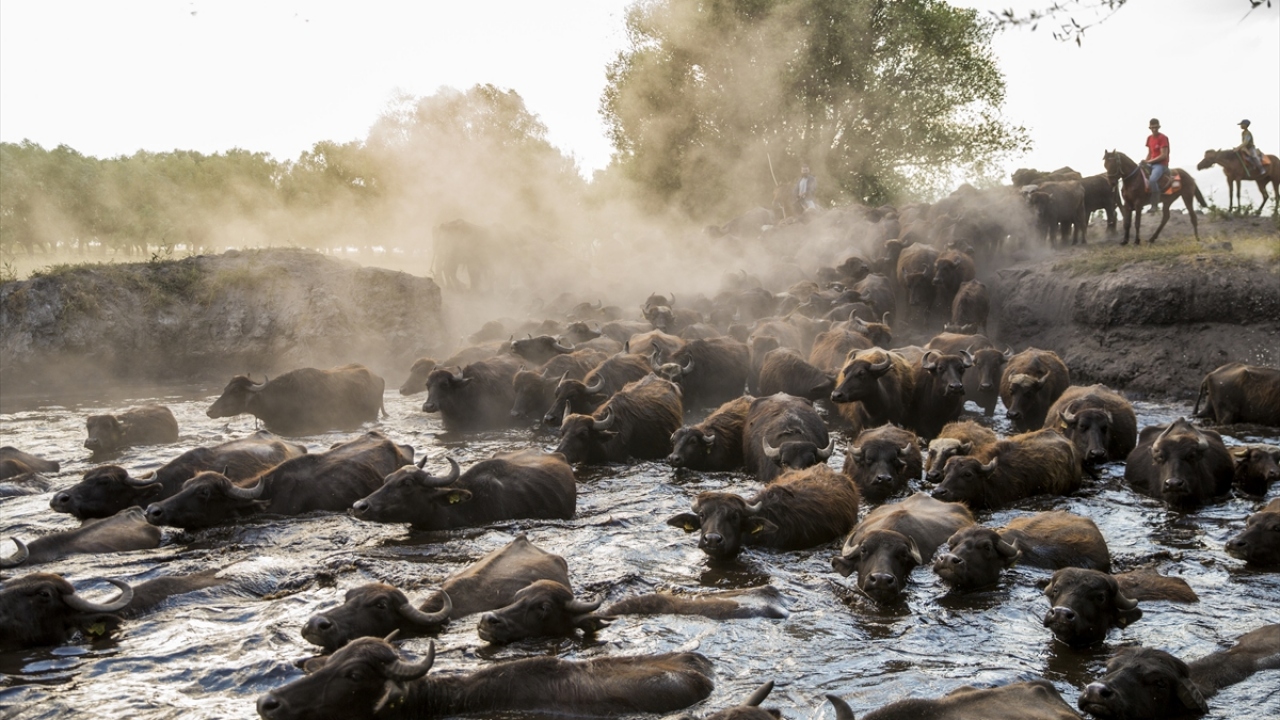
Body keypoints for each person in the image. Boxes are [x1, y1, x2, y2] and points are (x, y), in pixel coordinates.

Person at [1144, 118, 1169, 213]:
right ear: (1149, 128)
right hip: (1151, 163)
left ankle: (1154, 204)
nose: (1154, 129)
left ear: (1158, 127)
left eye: (1156, 127)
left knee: (1152, 180)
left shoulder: (1163, 138)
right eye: (1152, 127)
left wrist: (1150, 161)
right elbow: (1150, 153)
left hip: (1161, 164)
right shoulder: (1149, 138)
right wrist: (1145, 161)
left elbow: (1163, 155)